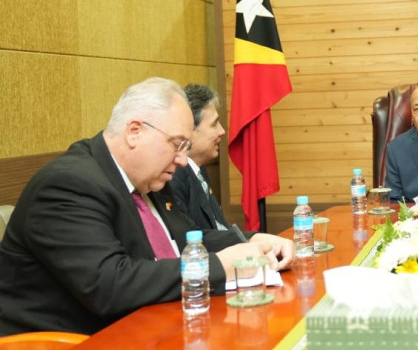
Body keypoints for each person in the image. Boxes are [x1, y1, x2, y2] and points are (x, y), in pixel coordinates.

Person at [0, 78, 294, 335]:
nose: (182, 160)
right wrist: (218, 266)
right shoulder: (69, 184)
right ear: (135, 132)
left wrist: (250, 241)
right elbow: (110, 285)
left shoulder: (147, 180)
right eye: (177, 144)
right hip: (72, 345)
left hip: (146, 329)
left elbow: (187, 240)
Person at [169, 84, 230, 231]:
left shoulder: (198, 169)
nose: (222, 131)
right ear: (189, 131)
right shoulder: (173, 176)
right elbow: (191, 236)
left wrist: (251, 238)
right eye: (214, 124)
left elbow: (219, 227)